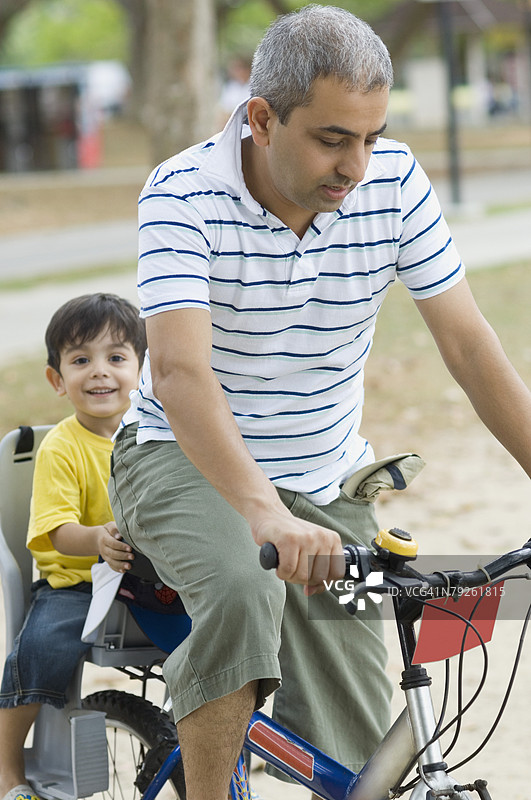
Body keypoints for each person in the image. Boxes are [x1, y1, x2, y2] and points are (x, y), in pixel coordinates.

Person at [109, 6, 531, 800]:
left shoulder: (393, 180)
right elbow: (180, 373)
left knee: (366, 764)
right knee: (242, 590)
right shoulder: (182, 193)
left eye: (371, 137)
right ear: (262, 119)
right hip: (180, 462)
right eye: (333, 139)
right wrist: (263, 512)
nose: (356, 165)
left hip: (326, 476)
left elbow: (470, 347)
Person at [0, 293, 146, 800]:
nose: (100, 371)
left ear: (143, 370)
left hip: (144, 582)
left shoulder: (156, 439)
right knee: (41, 649)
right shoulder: (62, 446)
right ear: (57, 379)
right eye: (81, 360)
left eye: (116, 357)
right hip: (76, 583)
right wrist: (99, 539)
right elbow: (57, 530)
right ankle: (8, 767)